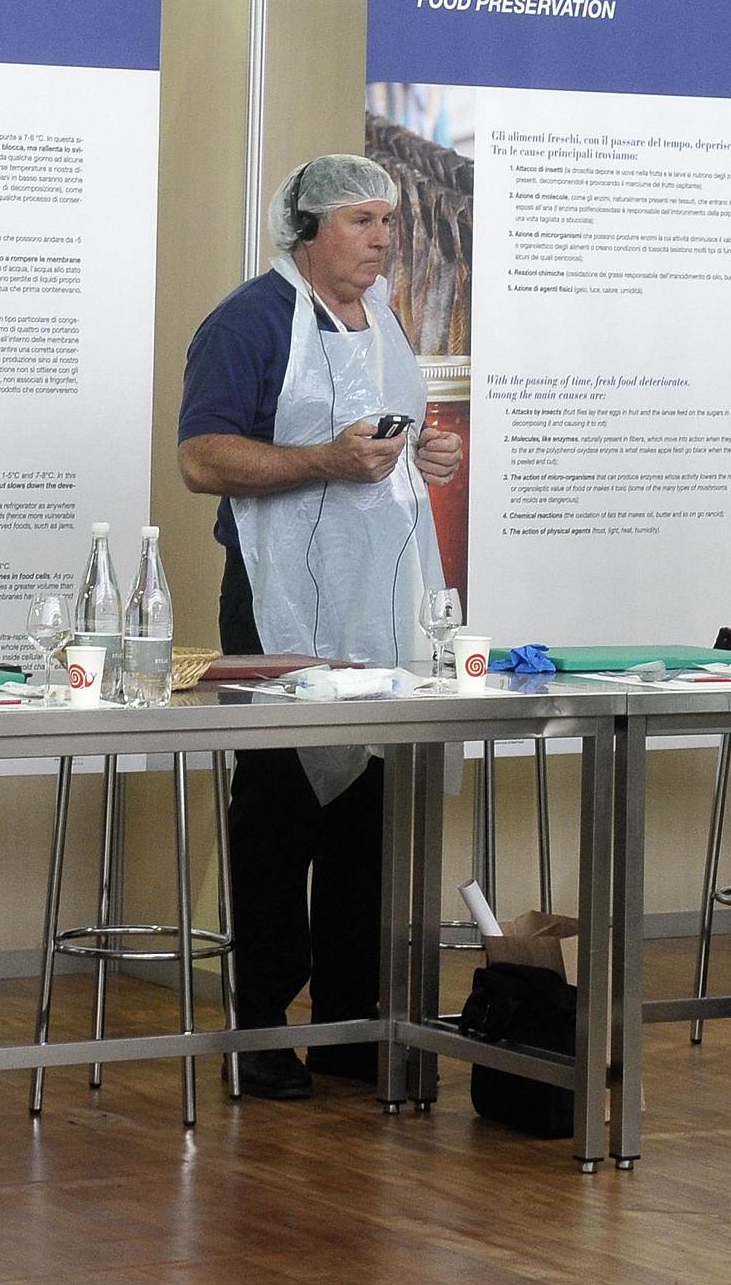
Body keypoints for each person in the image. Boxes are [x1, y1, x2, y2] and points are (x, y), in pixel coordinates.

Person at [176, 155, 462, 1100]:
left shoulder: (385, 321)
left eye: (389, 221)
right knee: (279, 811)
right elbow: (202, 459)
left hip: (379, 600)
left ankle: (351, 1025)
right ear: (306, 229)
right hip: (278, 602)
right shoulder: (249, 321)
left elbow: (391, 445)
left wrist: (429, 453)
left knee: (368, 815)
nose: (384, 239)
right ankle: (260, 1031)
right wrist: (325, 461)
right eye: (361, 221)